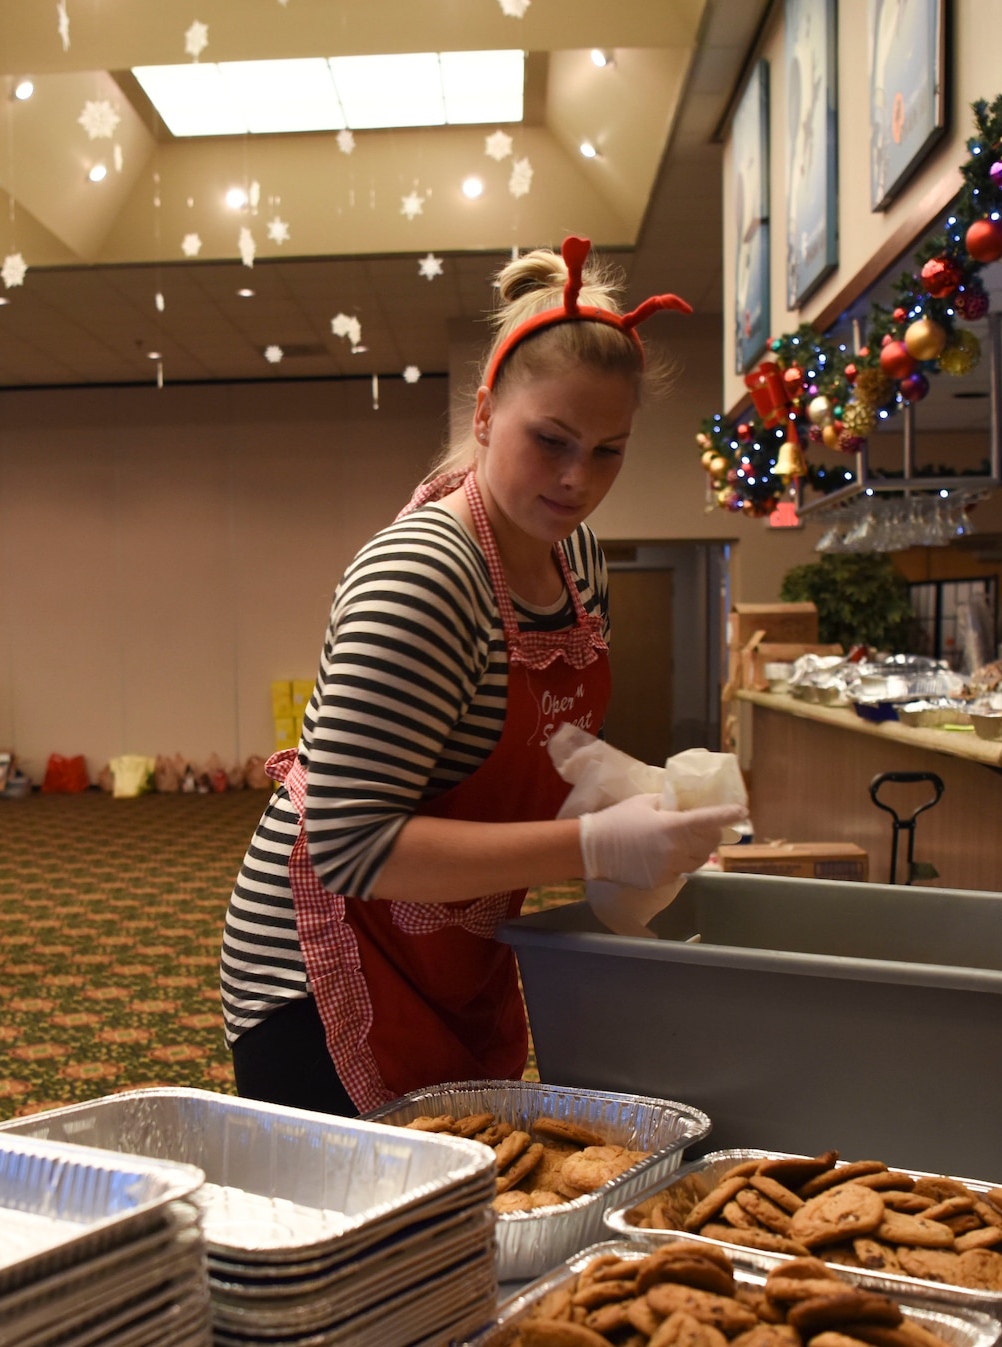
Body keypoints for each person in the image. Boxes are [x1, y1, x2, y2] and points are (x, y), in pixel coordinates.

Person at [218, 237, 745, 1116]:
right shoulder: (424, 578)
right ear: (486, 414)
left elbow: (534, 744)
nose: (579, 480)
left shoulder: (575, 558)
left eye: (610, 450)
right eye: (552, 441)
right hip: (324, 966)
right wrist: (592, 846)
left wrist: (616, 788)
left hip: (452, 942)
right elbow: (353, 847)